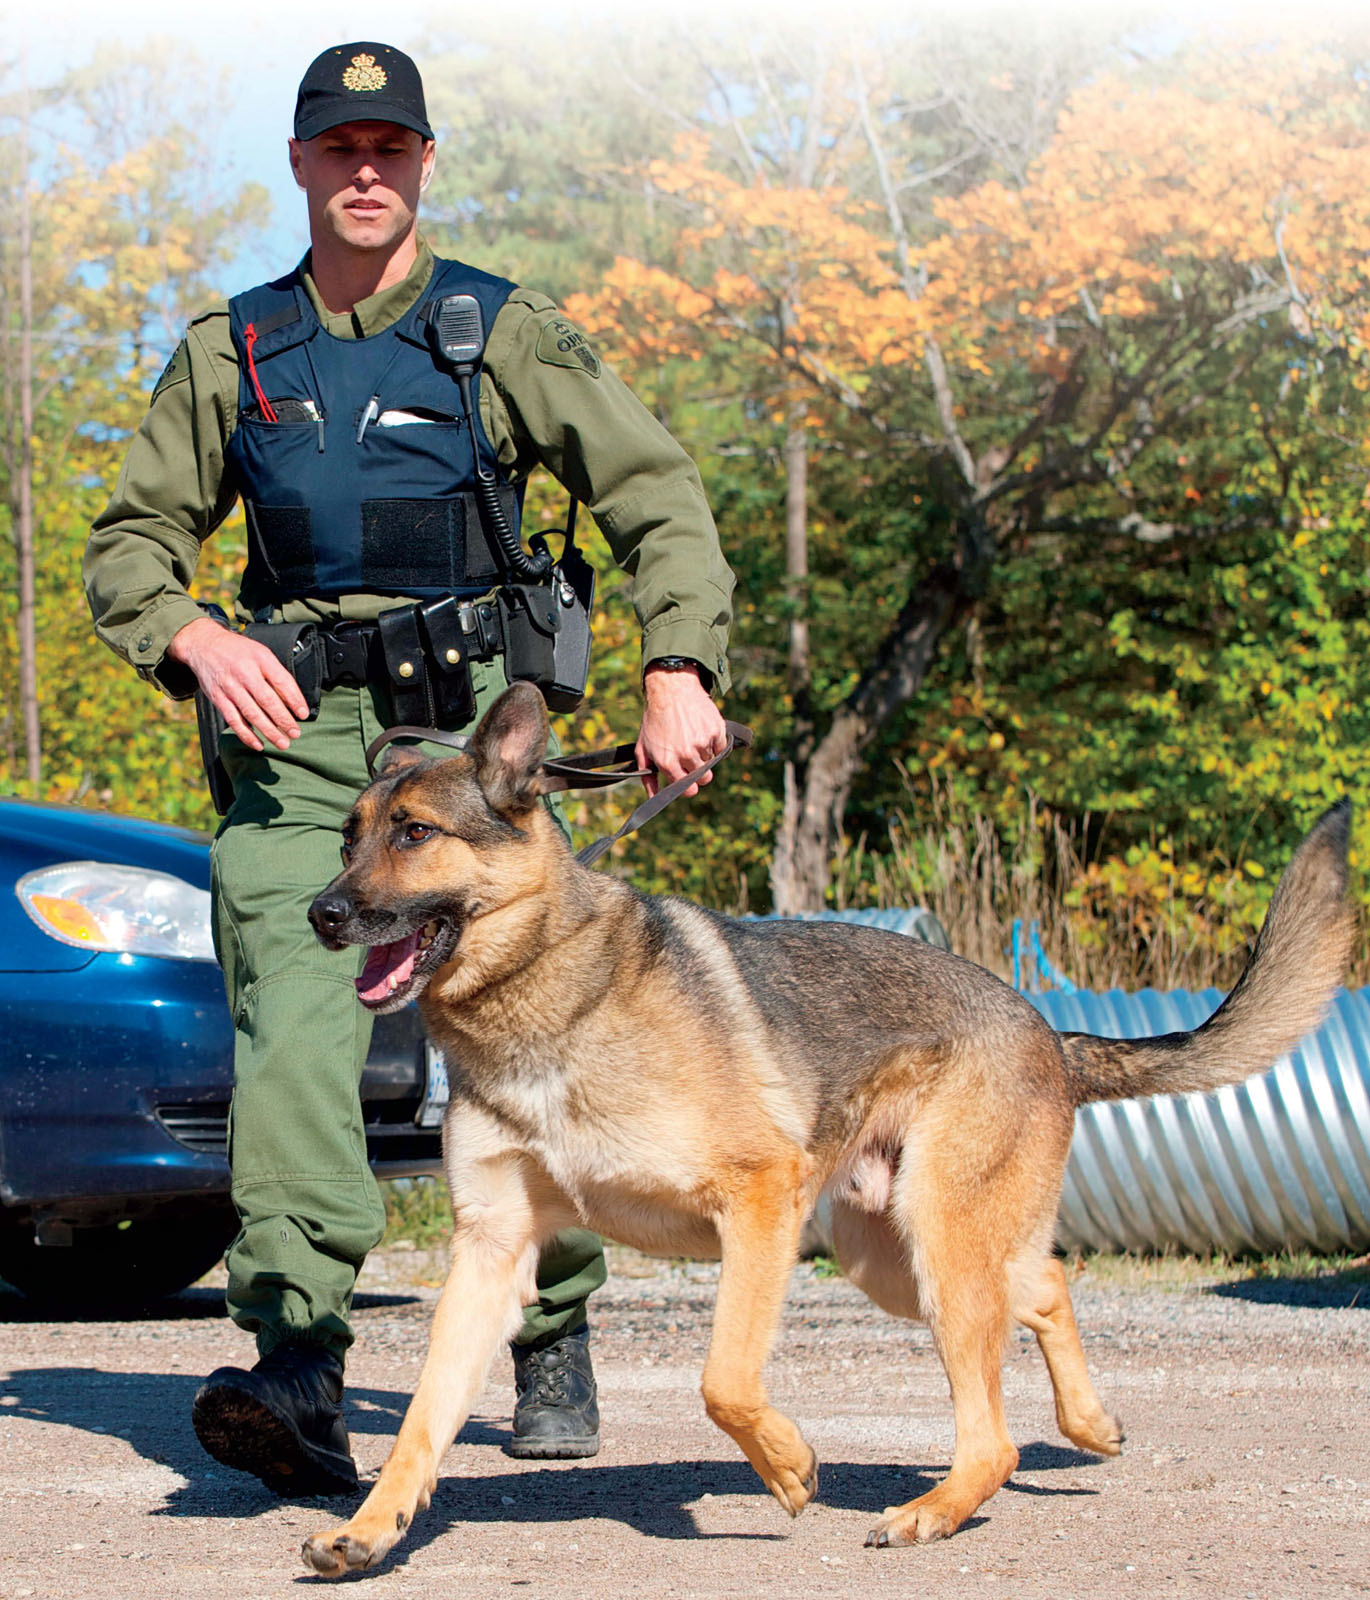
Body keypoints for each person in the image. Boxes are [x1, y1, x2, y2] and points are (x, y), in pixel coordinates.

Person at [83, 40, 735, 1496]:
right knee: (293, 1041)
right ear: (303, 165)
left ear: (423, 163)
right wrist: (190, 630)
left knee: (538, 1038)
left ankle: (550, 1318)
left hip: (473, 750)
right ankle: (298, 1363)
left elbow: (656, 492)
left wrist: (677, 659)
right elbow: (127, 543)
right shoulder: (233, 349)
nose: (365, 171)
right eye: (339, 148)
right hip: (300, 750)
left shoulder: (496, 331)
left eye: (392, 147)